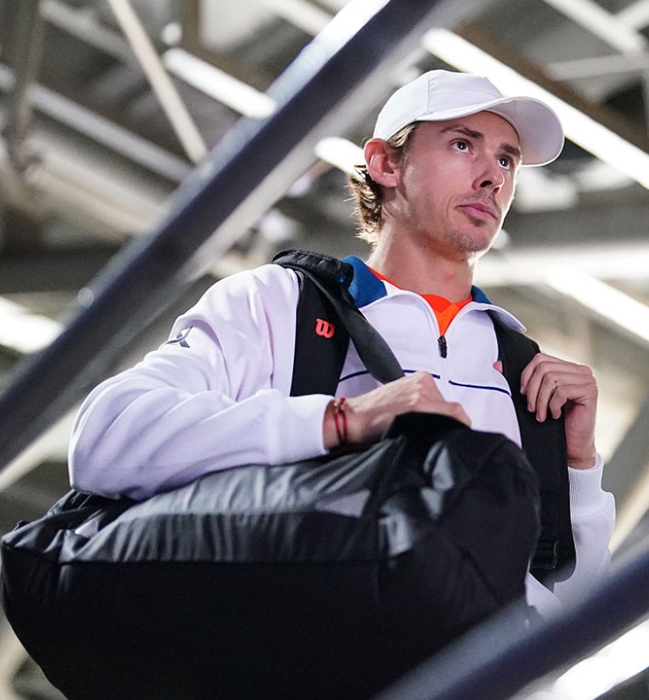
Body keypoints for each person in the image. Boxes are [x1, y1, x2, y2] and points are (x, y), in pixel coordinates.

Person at [69, 69, 615, 617]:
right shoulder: (279, 304)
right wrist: (338, 421)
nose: (492, 177)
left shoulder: (526, 374)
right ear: (386, 164)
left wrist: (578, 468)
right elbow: (108, 435)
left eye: (506, 159)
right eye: (462, 144)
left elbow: (565, 614)